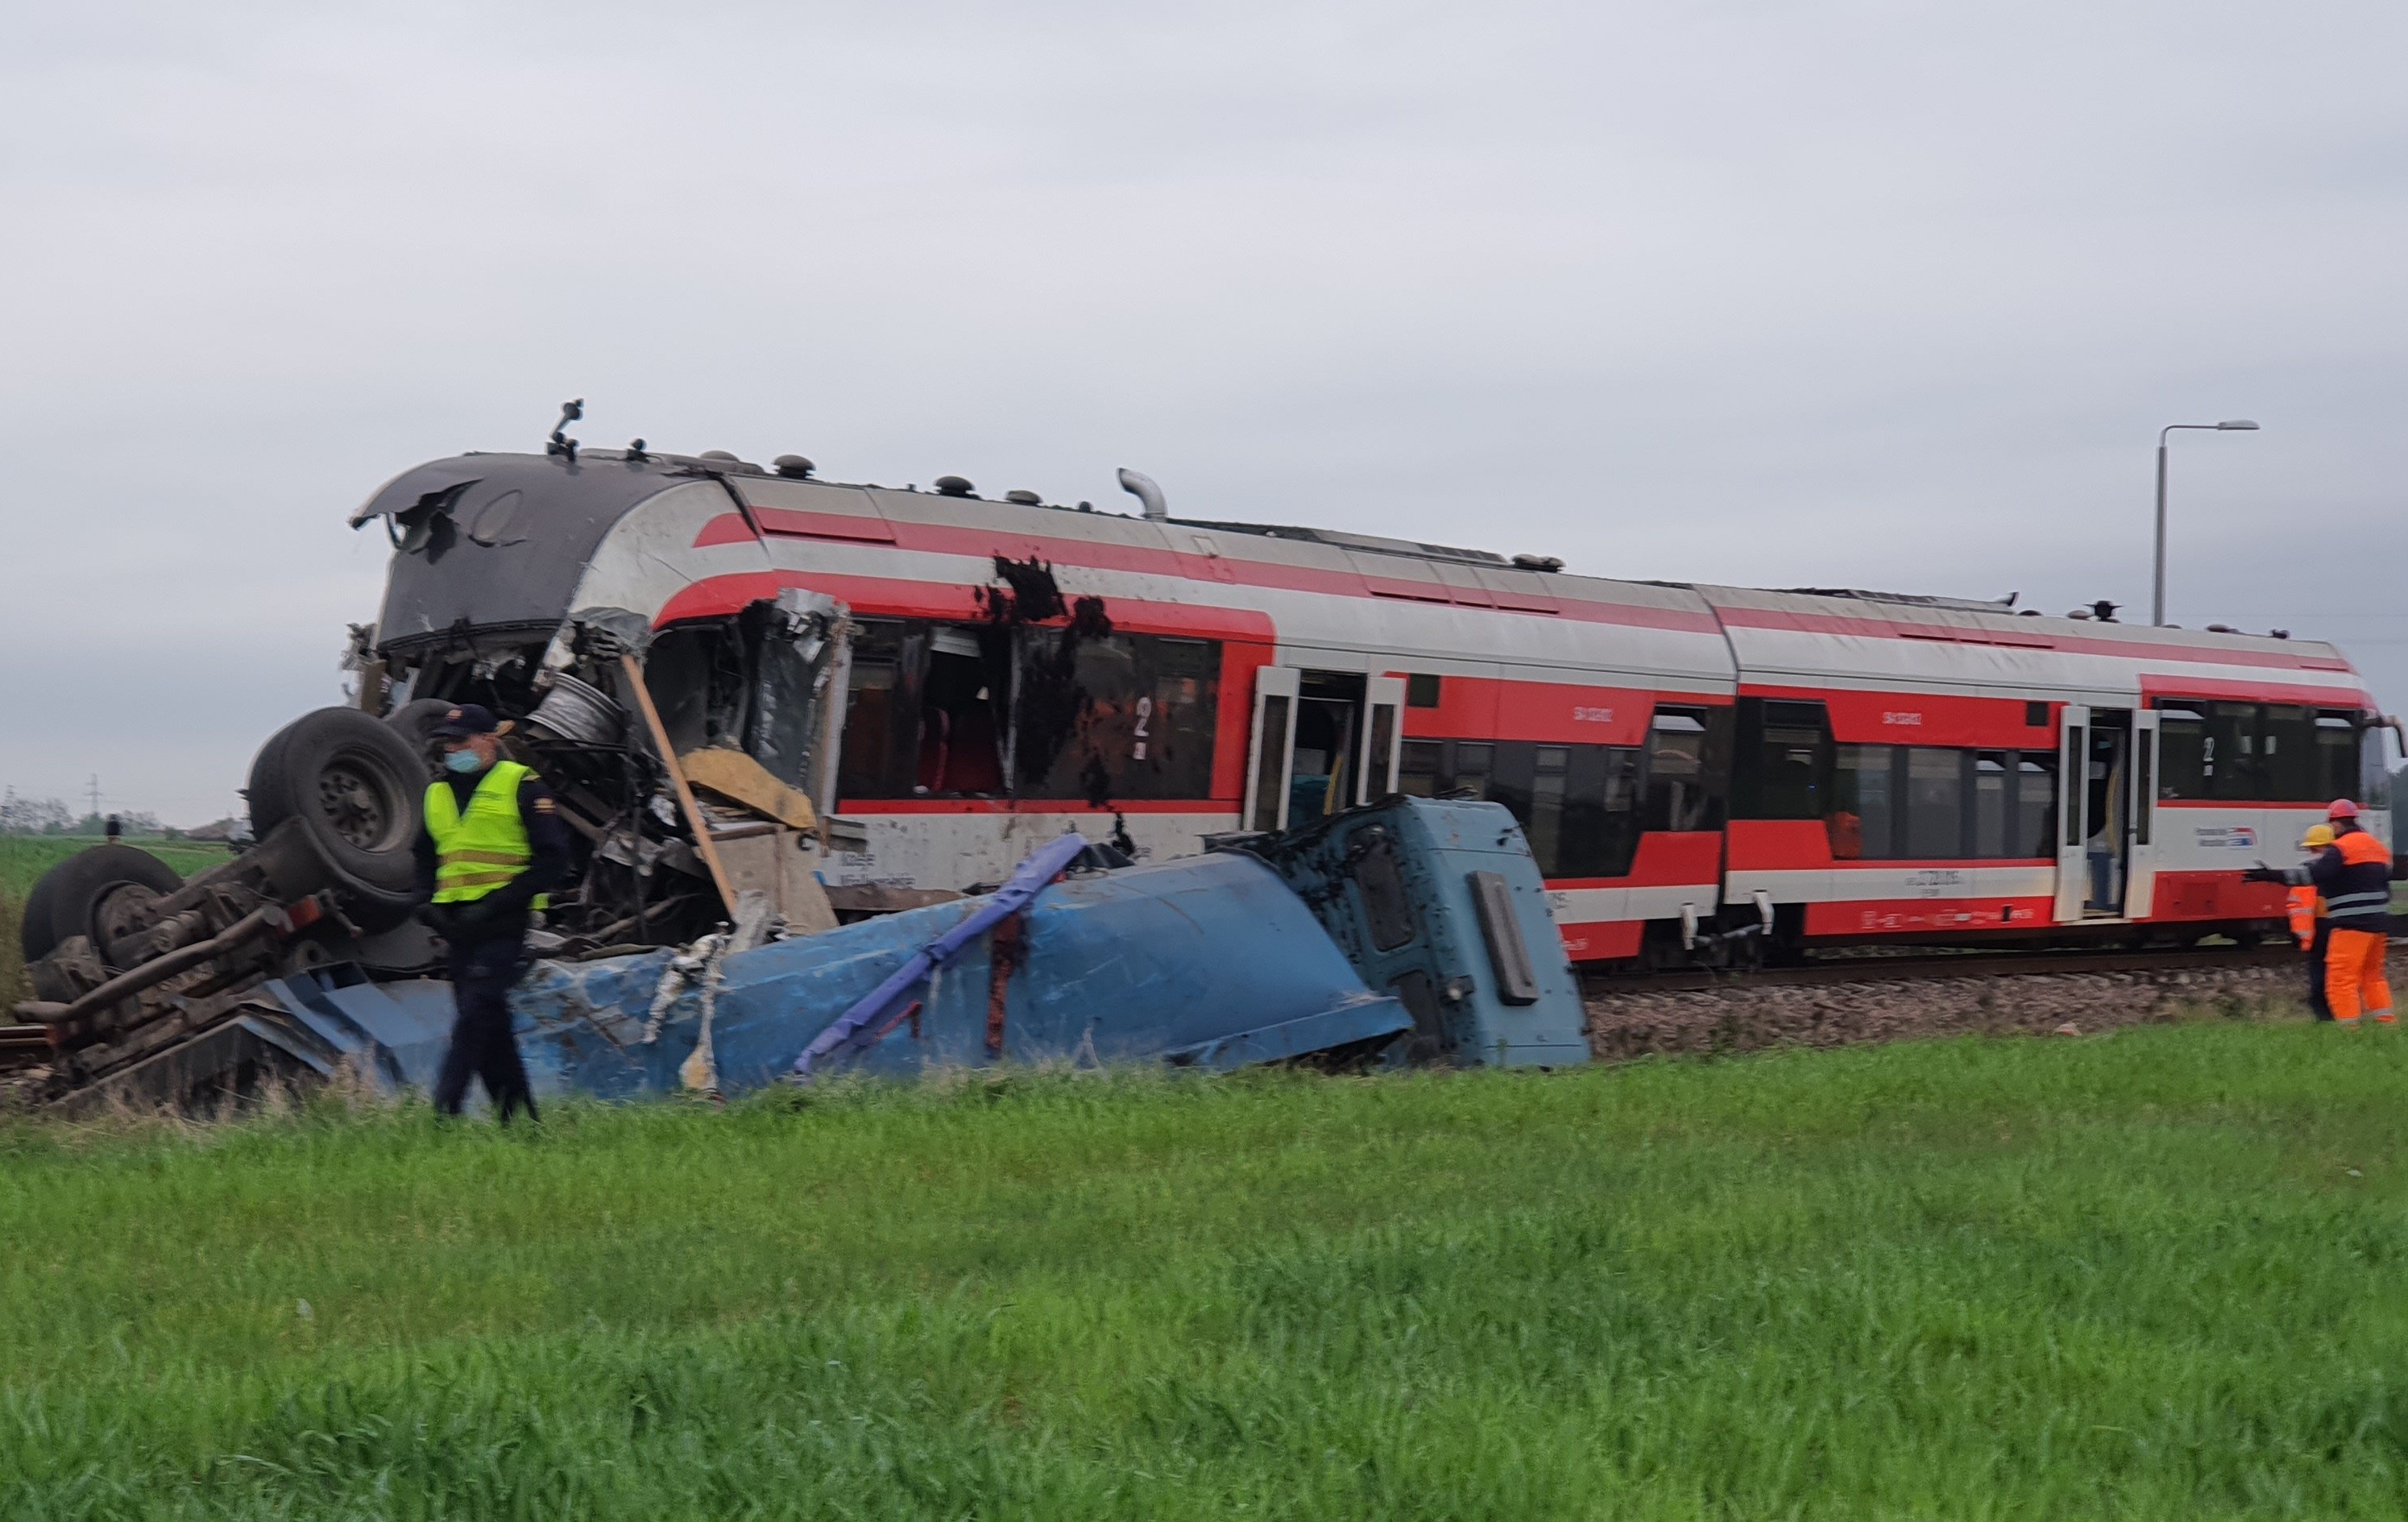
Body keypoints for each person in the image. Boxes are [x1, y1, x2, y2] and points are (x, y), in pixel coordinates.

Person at [411, 703, 572, 1121]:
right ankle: (523, 1123)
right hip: (456, 928)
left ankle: (443, 1114)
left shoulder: (522, 785)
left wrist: (497, 904)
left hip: (504, 922)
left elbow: (553, 860)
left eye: (461, 741)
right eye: (446, 743)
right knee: (491, 1028)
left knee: (473, 1016)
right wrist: (425, 906)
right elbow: (424, 858)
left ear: (489, 740)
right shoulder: (437, 793)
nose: (452, 750)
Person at [2252, 800, 2393, 1026]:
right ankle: (2386, 1023)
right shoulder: (2377, 847)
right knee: (2372, 976)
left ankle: (2349, 1030)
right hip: (2378, 923)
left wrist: (2272, 876)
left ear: (2336, 824)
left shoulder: (2342, 847)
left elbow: (2315, 875)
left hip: (2351, 924)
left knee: (2340, 979)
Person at [2286, 823, 2335, 1021]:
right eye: (2312, 849)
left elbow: (2294, 906)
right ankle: (2327, 1016)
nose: (2314, 853)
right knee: (2326, 977)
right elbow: (2296, 907)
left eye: (2317, 848)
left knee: (2325, 977)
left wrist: (2297, 933)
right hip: (2324, 931)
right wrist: (2297, 933)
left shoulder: (2306, 873)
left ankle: (2328, 1015)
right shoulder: (2331, 872)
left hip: (2323, 931)